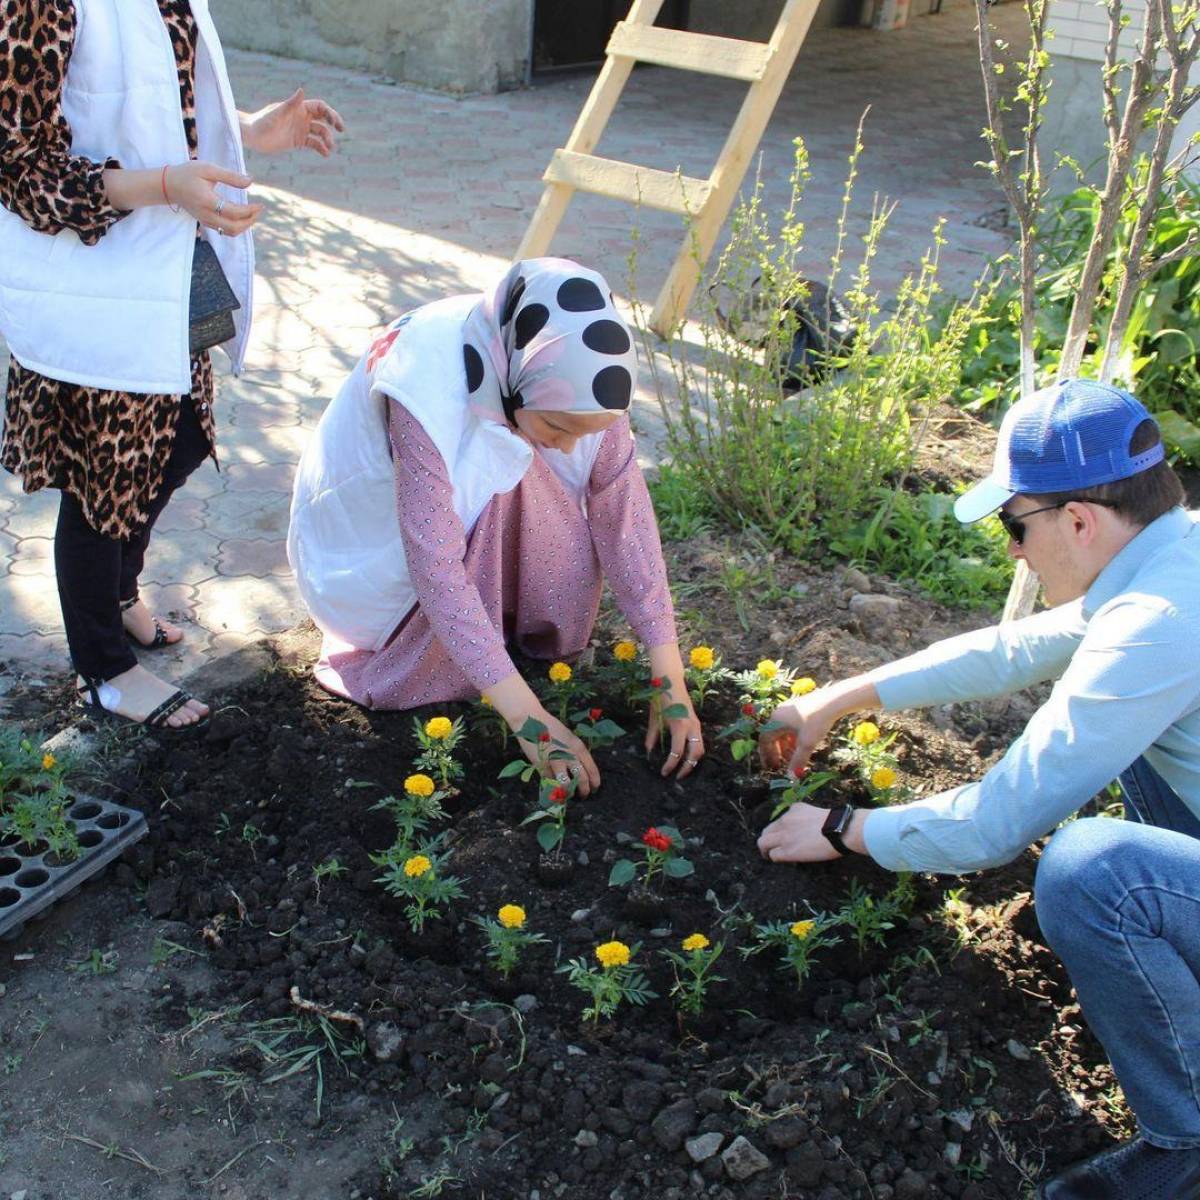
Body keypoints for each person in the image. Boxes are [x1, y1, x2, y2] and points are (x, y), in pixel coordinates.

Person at [756, 379, 1200, 1200]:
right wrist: (836, 697)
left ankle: (1188, 1138)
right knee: (1124, 744)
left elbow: (998, 826)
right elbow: (1016, 650)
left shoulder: (1161, 622)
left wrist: (846, 827)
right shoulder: (1172, 556)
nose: (1013, 553)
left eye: (1014, 525)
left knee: (1093, 872)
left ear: (1078, 520)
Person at [0, 0, 344, 730]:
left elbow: (158, 106)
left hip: (164, 265)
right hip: (91, 274)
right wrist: (160, 186)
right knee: (104, 482)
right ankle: (105, 671)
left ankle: (120, 597)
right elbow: (21, 168)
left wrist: (252, 132)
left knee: (182, 439)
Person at [289, 257, 703, 791]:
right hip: (371, 552)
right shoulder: (424, 385)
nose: (568, 445)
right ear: (518, 382)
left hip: (451, 516)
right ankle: (476, 660)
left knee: (531, 474)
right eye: (557, 426)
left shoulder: (578, 365)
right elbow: (433, 564)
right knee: (515, 476)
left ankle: (501, 636)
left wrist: (667, 677)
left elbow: (624, 516)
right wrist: (531, 723)